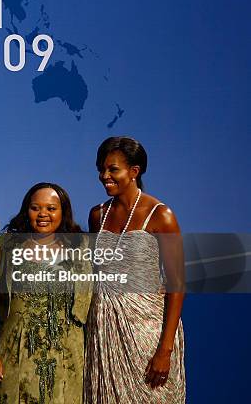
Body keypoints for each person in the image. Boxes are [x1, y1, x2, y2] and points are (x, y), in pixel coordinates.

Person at [83, 137, 186, 403]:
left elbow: (177, 284)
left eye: (112, 169)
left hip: (146, 332)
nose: (105, 176)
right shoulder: (98, 215)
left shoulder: (161, 215)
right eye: (101, 170)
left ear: (134, 171)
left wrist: (165, 350)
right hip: (104, 332)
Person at [0, 182, 93, 404]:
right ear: (26, 211)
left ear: (63, 213)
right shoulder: (6, 246)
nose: (43, 214)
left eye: (51, 208)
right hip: (15, 355)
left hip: (67, 358)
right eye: (35, 208)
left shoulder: (81, 249)